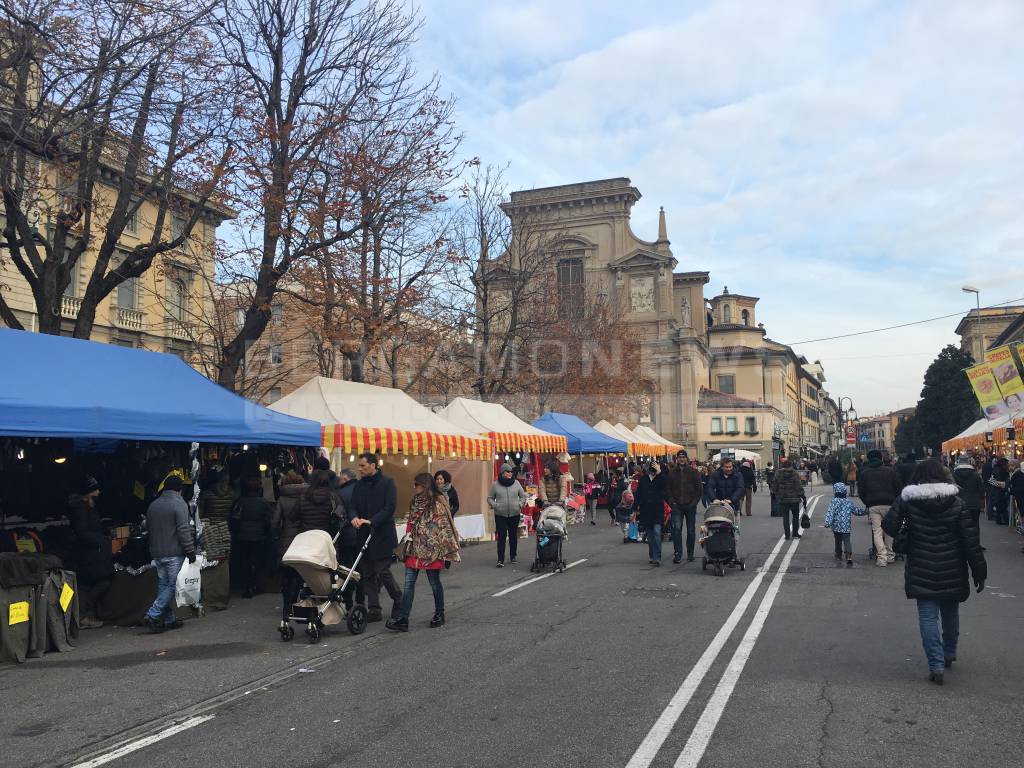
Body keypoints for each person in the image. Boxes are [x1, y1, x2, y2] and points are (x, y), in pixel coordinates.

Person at [882, 459, 987, 685]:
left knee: (928, 616)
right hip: (953, 565)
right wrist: (979, 571)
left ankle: (936, 665)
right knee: (950, 612)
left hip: (921, 565)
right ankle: (949, 651)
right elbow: (970, 540)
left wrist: (904, 531)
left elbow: (889, 526)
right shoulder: (956, 502)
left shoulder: (907, 499)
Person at [386, 473, 461, 632]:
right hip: (414, 547)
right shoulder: (414, 500)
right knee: (408, 584)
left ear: (425, 485)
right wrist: (408, 537)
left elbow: (443, 526)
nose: (414, 487)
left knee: (434, 583)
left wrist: (444, 549)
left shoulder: (439, 501)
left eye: (416, 484)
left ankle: (439, 614)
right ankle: (403, 619)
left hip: (432, 550)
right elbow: (411, 521)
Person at [350, 453, 402, 623]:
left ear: (373, 465)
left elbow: (390, 507)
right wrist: (354, 517)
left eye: (363, 465)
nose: (360, 469)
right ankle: (374, 608)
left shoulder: (387, 483)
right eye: (359, 466)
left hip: (382, 535)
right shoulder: (358, 485)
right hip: (363, 535)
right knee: (368, 573)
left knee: (382, 570)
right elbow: (352, 506)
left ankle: (398, 598)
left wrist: (372, 521)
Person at [142, 475, 196, 633]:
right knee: (172, 586)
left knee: (164, 585)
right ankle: (153, 614)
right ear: (180, 489)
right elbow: (183, 530)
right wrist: (190, 550)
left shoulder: (153, 504)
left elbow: (149, 529)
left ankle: (169, 619)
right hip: (173, 552)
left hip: (157, 552)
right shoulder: (179, 504)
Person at [67, 475, 112, 629]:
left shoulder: (87, 506)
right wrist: (100, 541)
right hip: (88, 553)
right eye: (95, 489)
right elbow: (82, 531)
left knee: (89, 584)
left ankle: (85, 615)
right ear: (88, 492)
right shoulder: (81, 508)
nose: (98, 492)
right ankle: (84, 615)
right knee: (101, 581)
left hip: (90, 551)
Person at [857, 449, 903, 567]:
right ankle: (890, 555)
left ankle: (881, 557)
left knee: (877, 531)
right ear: (881, 458)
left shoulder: (864, 473)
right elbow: (898, 488)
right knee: (889, 531)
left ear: (869, 459)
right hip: (889, 504)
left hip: (873, 505)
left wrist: (867, 502)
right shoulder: (890, 471)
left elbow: (861, 491)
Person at [273, 470, 306, 622]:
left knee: (286, 575)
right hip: (302, 540)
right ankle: (297, 602)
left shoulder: (282, 499)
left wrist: (277, 535)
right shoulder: (305, 496)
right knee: (299, 573)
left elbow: (275, 522)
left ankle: (287, 606)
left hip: (285, 541)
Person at [232, 476, 273, 598]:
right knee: (257, 562)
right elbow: (268, 520)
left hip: (243, 536)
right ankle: (255, 585)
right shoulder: (264, 503)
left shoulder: (241, 501)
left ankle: (247, 586)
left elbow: (235, 518)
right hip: (258, 535)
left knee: (245, 561)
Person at [666, 450, 703, 563]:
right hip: (677, 505)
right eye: (680, 457)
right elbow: (668, 490)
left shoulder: (693, 472)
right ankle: (678, 554)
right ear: (677, 459)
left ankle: (690, 554)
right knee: (677, 530)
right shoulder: (671, 473)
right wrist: (672, 502)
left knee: (691, 530)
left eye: (683, 457)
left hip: (690, 505)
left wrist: (694, 502)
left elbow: (699, 489)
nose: (682, 459)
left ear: (686, 458)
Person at [488, 463, 527, 567]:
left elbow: (523, 496)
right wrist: (494, 505)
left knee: (513, 535)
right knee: (501, 537)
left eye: (511, 471)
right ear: (502, 472)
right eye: (507, 471)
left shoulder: (517, 483)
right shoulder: (495, 485)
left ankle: (513, 556)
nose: (510, 473)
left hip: (514, 514)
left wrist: (520, 504)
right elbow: (490, 498)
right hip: (500, 515)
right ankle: (500, 559)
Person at [823, 482, 867, 567]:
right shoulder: (848, 501)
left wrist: (827, 522)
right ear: (844, 491)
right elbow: (856, 511)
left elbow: (830, 512)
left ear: (835, 491)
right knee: (847, 540)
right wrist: (865, 512)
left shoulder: (834, 501)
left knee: (838, 540)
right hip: (846, 525)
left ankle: (838, 554)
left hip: (836, 526)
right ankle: (849, 556)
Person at [634, 461, 668, 566]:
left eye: (655, 468)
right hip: (646, 511)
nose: (652, 470)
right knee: (650, 535)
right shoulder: (643, 479)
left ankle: (657, 557)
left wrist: (660, 473)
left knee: (657, 533)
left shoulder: (660, 478)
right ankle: (652, 555)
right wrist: (634, 509)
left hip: (657, 510)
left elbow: (665, 486)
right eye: (651, 468)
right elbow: (638, 494)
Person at [771, 457, 806, 540]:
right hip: (794, 499)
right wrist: (803, 496)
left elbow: (775, 484)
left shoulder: (778, 473)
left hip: (783, 498)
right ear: (791, 465)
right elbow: (798, 486)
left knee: (785, 517)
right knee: (795, 516)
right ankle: (795, 533)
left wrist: (774, 493)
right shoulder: (794, 473)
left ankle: (787, 534)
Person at [952, 456, 985, 528]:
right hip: (974, 504)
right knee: (974, 525)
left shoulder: (953, 475)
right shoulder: (976, 475)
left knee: (959, 527)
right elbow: (981, 490)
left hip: (958, 504)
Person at [990, 457, 1011, 526]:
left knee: (1000, 507)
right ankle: (1005, 520)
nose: (1008, 465)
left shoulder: (996, 469)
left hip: (997, 491)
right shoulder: (1000, 471)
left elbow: (992, 481)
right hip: (999, 491)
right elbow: (994, 481)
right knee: (1002, 506)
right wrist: (1005, 485)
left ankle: (1000, 520)